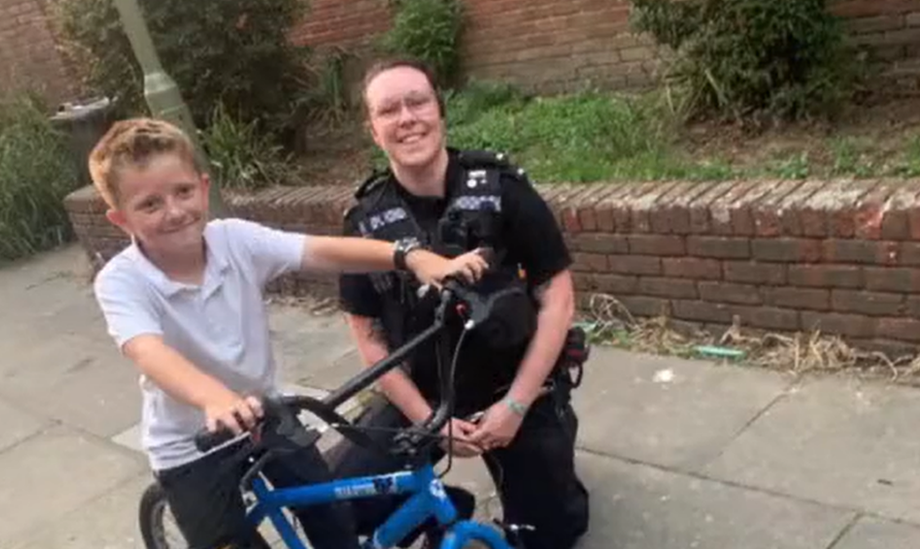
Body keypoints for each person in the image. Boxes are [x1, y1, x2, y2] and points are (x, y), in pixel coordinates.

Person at [88, 117, 488, 549]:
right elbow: (148, 351)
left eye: (183, 191)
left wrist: (410, 257)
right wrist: (213, 398)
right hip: (192, 448)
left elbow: (318, 251)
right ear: (119, 219)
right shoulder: (122, 281)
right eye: (150, 204)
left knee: (336, 524)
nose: (175, 211)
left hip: (265, 417)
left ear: (204, 187)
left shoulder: (234, 240)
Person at [332, 58, 590, 549]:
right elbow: (367, 336)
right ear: (373, 130)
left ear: (440, 111)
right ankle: (441, 509)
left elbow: (558, 299)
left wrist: (514, 406)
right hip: (422, 398)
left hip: (515, 389)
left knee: (551, 534)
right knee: (341, 508)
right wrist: (428, 419)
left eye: (417, 102)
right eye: (388, 110)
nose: (406, 118)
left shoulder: (503, 191)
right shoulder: (364, 222)